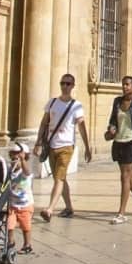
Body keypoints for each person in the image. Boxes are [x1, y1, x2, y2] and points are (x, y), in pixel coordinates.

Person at [34, 73, 92, 222]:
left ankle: (50, 209)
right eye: (63, 83)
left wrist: (87, 146)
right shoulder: (52, 102)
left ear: (73, 86)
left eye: (68, 84)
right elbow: (43, 123)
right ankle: (69, 208)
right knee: (60, 177)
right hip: (52, 145)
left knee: (58, 179)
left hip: (66, 147)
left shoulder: (76, 106)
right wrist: (38, 142)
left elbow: (82, 127)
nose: (65, 86)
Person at [105, 75, 132, 224]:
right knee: (128, 177)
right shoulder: (117, 102)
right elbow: (113, 119)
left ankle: (121, 213)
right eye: (123, 84)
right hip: (118, 141)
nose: (125, 87)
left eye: (128, 84)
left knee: (125, 176)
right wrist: (111, 128)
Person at [6, 142, 35, 255]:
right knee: (9, 224)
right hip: (13, 204)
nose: (14, 162)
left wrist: (22, 161)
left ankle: (27, 244)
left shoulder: (25, 172)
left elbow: (27, 172)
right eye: (13, 158)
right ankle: (10, 242)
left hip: (25, 204)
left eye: (16, 159)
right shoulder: (10, 171)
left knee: (25, 226)